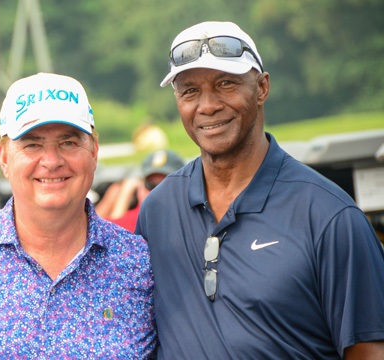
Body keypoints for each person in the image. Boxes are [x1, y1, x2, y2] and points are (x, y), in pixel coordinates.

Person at [135, 21, 384, 359]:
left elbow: (368, 352)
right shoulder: (158, 210)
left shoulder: (329, 216)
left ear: (262, 87)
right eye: (189, 90)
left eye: (226, 83)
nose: (207, 105)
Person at [0, 73, 156, 358]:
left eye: (69, 143)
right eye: (32, 144)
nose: (51, 161)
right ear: (4, 157)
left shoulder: (142, 264)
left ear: (94, 152)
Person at [97, 150, 185, 232]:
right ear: (141, 187)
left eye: (166, 184)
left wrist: (121, 197)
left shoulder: (189, 220)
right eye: (150, 185)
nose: (157, 192)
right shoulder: (134, 220)